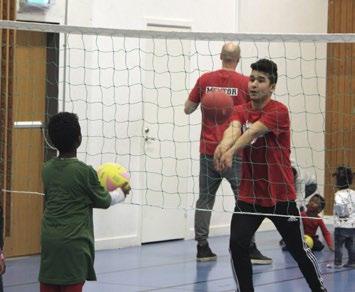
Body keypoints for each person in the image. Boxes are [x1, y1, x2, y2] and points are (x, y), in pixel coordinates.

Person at [214, 59, 327, 292]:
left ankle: (319, 289)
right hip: (250, 196)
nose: (253, 84)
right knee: (237, 244)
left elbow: (253, 131)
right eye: (252, 78)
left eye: (261, 80)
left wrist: (232, 150)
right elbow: (234, 129)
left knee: (298, 250)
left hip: (281, 197)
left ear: (272, 86)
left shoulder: (278, 111)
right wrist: (222, 146)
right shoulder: (240, 110)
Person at [184, 42, 271, 264]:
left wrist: (210, 103)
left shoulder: (205, 80)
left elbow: (187, 108)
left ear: (221, 56)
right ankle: (249, 248)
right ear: (238, 59)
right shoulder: (245, 83)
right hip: (235, 152)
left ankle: (202, 248)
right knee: (244, 200)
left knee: (205, 200)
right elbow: (256, 111)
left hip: (207, 151)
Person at [39, 112, 130, 292]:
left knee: (49, 284)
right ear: (79, 139)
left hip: (49, 240)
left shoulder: (46, 169)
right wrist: (122, 193)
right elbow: (103, 201)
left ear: (52, 139)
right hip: (74, 243)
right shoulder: (84, 172)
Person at [332, 166, 355, 268]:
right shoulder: (353, 193)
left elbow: (341, 210)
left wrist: (343, 215)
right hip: (352, 225)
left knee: (339, 245)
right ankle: (352, 262)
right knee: (351, 245)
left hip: (341, 226)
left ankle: (338, 263)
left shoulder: (338, 194)